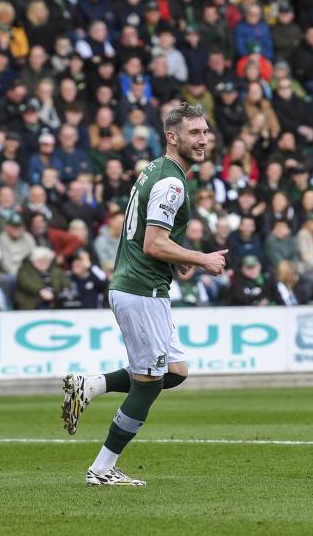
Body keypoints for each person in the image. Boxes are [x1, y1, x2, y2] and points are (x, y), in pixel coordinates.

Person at [60, 103, 228, 486]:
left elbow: (147, 239)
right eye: (194, 133)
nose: (203, 140)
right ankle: (102, 469)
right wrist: (200, 258)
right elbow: (154, 243)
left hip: (144, 287)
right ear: (173, 137)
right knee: (149, 384)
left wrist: (178, 259)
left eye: (205, 132)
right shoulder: (171, 181)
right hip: (141, 290)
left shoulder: (156, 169)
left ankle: (92, 385)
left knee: (175, 371)